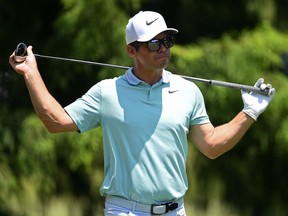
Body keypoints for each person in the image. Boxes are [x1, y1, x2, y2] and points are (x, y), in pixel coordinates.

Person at [9, 11, 275, 216]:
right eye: (154, 43)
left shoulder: (188, 91)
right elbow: (55, 121)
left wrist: (249, 112)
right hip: (124, 211)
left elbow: (212, 146)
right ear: (131, 51)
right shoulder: (107, 92)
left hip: (175, 210)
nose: (163, 48)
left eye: (167, 41)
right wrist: (31, 73)